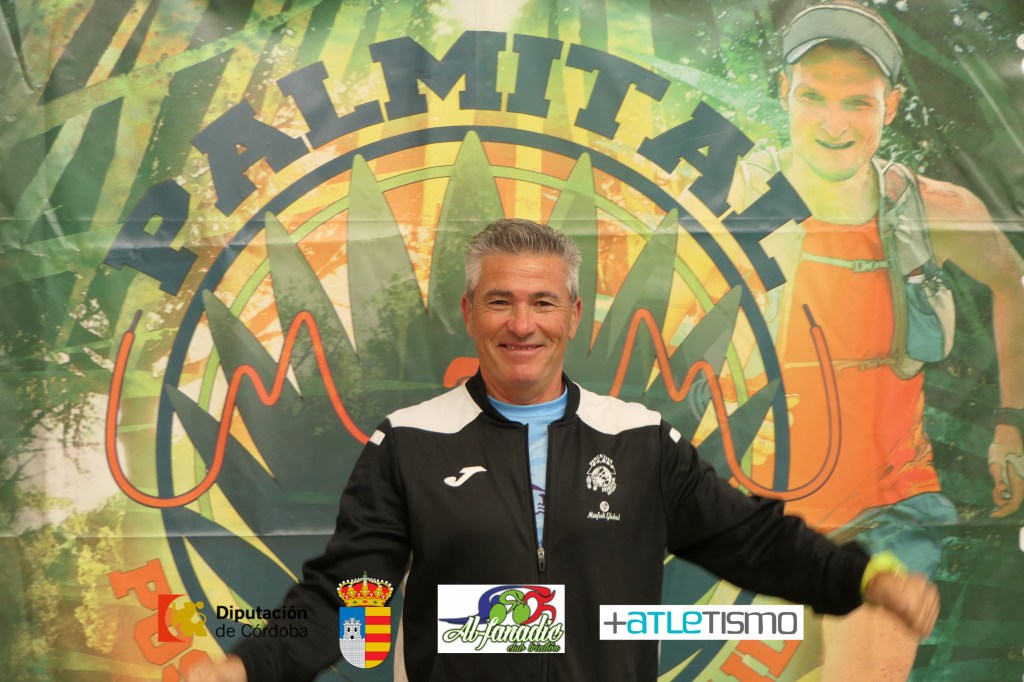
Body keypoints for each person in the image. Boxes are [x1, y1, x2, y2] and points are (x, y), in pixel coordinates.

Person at [186, 218, 939, 682]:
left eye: (543, 301)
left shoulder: (639, 438)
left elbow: (751, 540)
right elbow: (349, 594)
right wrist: (246, 668)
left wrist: (864, 578)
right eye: (501, 301)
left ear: (573, 314)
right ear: (470, 312)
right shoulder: (407, 442)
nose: (523, 324)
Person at [729, 1, 1024, 679]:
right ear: (785, 93)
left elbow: (1013, 284)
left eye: (857, 102)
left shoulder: (932, 209)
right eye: (814, 97)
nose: (834, 123)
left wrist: (1011, 423)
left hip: (888, 517)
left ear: (889, 107)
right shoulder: (727, 201)